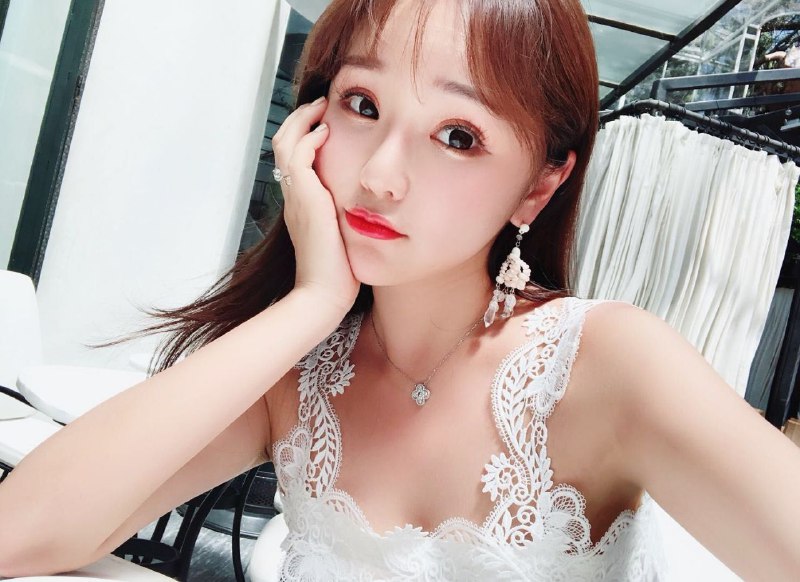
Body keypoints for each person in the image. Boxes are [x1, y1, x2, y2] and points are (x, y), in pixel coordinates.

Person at [2, 0, 800, 579]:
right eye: (363, 105)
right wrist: (311, 304)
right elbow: (19, 533)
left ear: (539, 185)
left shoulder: (607, 365)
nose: (380, 176)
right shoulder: (299, 372)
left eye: (458, 136)